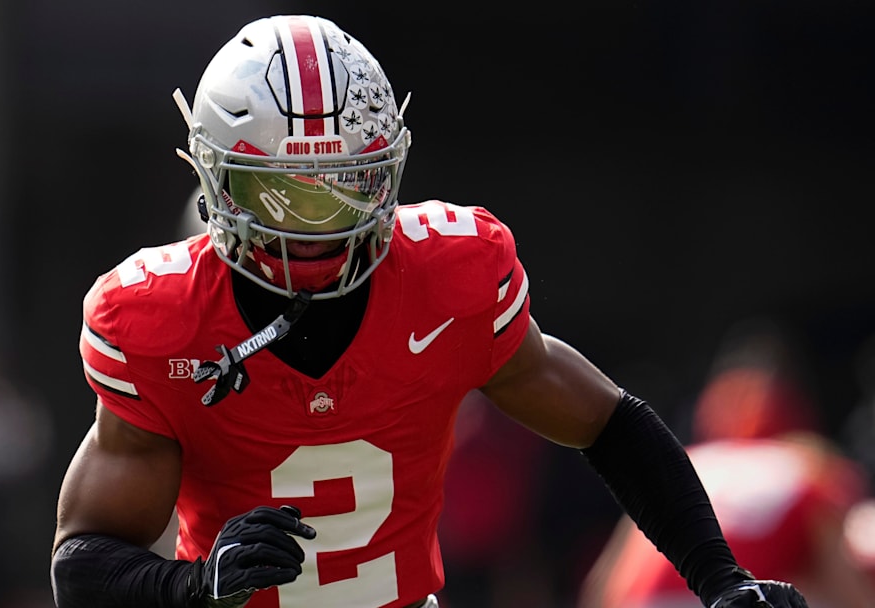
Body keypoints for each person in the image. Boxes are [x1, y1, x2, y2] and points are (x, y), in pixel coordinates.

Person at [50, 14, 810, 608]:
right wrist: (193, 587)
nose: (316, 225)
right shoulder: (161, 318)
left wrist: (718, 575)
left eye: (344, 186)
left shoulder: (452, 275)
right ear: (215, 182)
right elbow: (82, 563)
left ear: (388, 171)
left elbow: (608, 424)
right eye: (279, 194)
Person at [577, 318, 873, 608]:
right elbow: (851, 591)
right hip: (724, 597)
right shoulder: (810, 468)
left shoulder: (681, 465)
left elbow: (601, 583)